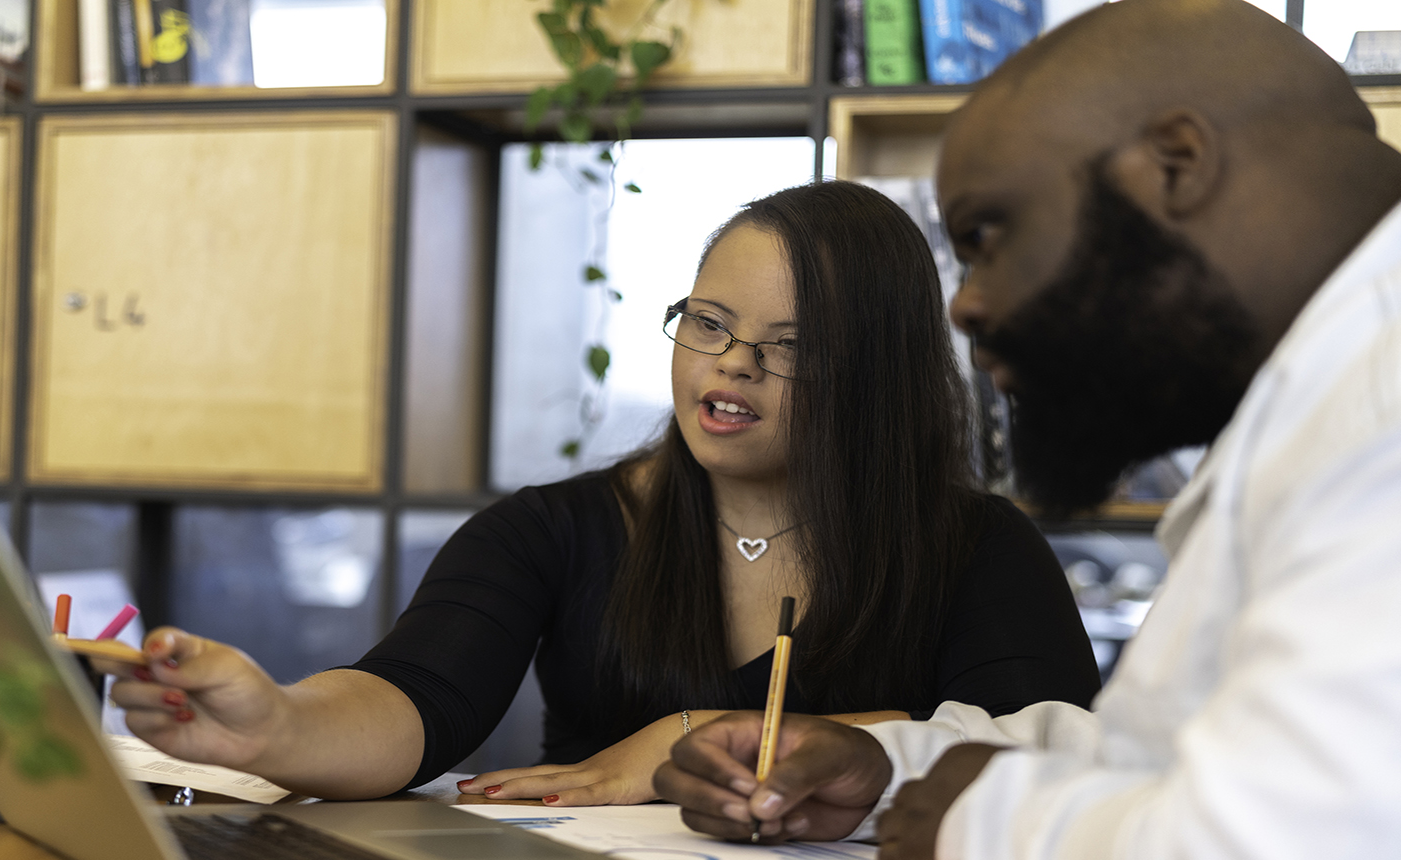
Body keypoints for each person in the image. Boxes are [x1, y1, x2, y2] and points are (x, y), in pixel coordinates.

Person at [655, 2, 1401, 860]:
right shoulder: (1327, 396)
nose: (966, 305)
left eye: (991, 233)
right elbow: (1164, 755)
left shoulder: (1376, 415)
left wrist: (979, 822)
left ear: (1175, 164)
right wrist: (889, 770)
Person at [94, 180, 1099, 805]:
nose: (731, 364)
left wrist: (693, 733)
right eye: (707, 322)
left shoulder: (978, 547)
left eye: (788, 347)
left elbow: (1052, 757)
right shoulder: (553, 529)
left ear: (878, 375)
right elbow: (410, 699)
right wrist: (272, 721)